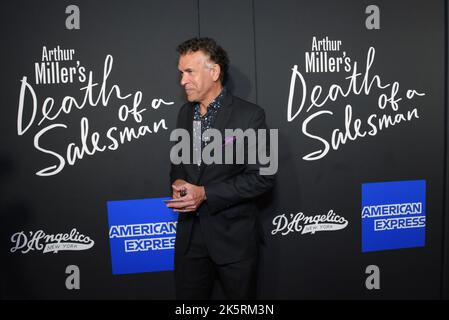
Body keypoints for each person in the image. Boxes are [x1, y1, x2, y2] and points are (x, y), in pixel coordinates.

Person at [166, 37, 275, 300]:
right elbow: (177, 166)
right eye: (181, 73)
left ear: (214, 72)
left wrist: (205, 193)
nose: (183, 81)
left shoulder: (251, 115)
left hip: (234, 240)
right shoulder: (184, 114)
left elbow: (263, 177)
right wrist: (180, 182)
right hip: (191, 238)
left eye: (189, 72)